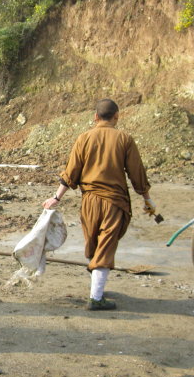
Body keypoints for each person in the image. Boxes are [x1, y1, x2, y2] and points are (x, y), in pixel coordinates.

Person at [42, 98, 154, 310]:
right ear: (116, 117)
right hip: (114, 202)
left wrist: (56, 198)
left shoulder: (84, 138)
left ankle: (98, 288)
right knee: (106, 245)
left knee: (94, 243)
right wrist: (147, 200)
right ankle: (96, 297)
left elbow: (71, 172)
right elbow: (137, 174)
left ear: (95, 117)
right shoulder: (125, 139)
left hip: (89, 202)